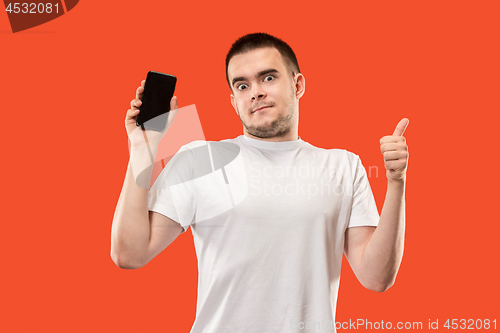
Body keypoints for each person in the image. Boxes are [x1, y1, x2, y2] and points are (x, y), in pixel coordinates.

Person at [111, 32, 409, 332]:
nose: (255, 92)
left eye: (268, 78)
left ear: (298, 84)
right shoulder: (200, 160)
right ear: (233, 100)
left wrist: (396, 183)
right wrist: (142, 150)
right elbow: (130, 253)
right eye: (242, 85)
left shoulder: (343, 166)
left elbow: (376, 278)